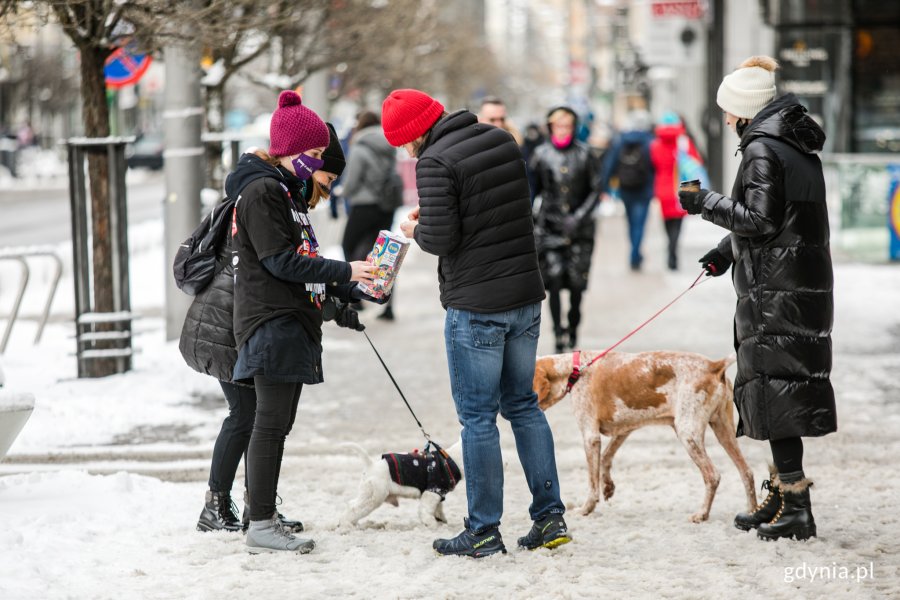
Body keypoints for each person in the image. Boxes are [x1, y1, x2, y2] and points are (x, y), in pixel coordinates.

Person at [383, 88, 570, 557]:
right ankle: (550, 518)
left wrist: (415, 229)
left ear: (417, 132)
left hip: (477, 306)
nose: (407, 153)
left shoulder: (434, 161)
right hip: (525, 298)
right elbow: (496, 212)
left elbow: (443, 240)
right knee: (524, 407)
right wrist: (440, 214)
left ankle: (484, 528)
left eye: (405, 143)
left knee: (477, 419)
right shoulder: (501, 140)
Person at [678, 56, 836, 542]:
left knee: (775, 390)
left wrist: (704, 203)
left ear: (744, 111)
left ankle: (795, 508)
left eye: (728, 111)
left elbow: (762, 220)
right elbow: (781, 219)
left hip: (777, 291)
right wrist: (727, 252)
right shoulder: (792, 145)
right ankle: (783, 495)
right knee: (776, 390)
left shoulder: (763, 149)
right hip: (795, 284)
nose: (725, 119)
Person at [181, 121, 351, 536]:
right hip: (226, 321)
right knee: (248, 415)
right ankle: (220, 505)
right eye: (324, 181)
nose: (322, 191)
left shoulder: (281, 193)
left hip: (247, 316)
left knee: (258, 417)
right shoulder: (263, 193)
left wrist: (329, 303)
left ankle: (257, 507)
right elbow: (273, 267)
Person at [229, 90, 379, 554]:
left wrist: (348, 290)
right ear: (287, 149)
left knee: (279, 423)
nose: (315, 163)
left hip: (290, 319)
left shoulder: (283, 192)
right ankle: (259, 524)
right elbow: (281, 261)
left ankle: (263, 514)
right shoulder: (261, 192)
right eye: (312, 154)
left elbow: (304, 259)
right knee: (269, 425)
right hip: (270, 319)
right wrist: (346, 271)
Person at [530, 106, 602, 352]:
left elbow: (595, 190)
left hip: (580, 231)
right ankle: (558, 331)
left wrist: (579, 216)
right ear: (551, 128)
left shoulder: (585, 154)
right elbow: (533, 192)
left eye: (567, 126)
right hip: (550, 228)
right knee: (554, 279)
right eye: (558, 126)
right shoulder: (540, 155)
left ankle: (573, 325)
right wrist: (535, 222)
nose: (563, 130)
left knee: (576, 283)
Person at [340, 110, 400, 321]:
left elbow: (352, 180)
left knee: (349, 246)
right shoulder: (389, 145)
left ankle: (355, 298)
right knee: (384, 256)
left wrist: (342, 193)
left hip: (363, 206)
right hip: (386, 206)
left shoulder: (360, 146)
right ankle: (387, 305)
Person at [649, 111, 708, 270]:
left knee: (667, 223)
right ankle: (673, 250)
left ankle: (670, 246)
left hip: (662, 189)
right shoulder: (684, 143)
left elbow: (653, 165)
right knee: (678, 224)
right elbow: (696, 164)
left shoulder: (655, 145)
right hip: (681, 189)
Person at [601, 110, 656, 271]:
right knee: (640, 223)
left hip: (625, 189)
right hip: (644, 189)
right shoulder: (650, 141)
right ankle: (635, 254)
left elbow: (609, 165)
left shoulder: (620, 141)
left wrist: (605, 187)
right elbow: (656, 166)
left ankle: (634, 252)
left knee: (631, 223)